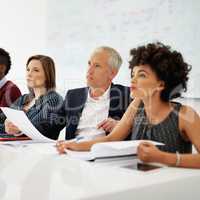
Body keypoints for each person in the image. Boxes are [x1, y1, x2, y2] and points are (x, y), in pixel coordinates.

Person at [56, 42, 200, 169]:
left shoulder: (185, 115)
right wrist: (73, 146)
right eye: (133, 74)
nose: (133, 80)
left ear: (161, 84)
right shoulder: (136, 106)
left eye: (142, 75)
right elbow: (110, 139)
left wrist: (162, 157)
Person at [57, 46, 131, 141]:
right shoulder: (73, 96)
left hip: (106, 152)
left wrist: (120, 125)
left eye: (97, 66)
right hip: (74, 151)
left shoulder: (127, 95)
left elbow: (142, 128)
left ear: (112, 73)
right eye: (89, 64)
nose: (89, 71)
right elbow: (50, 127)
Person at [0, 55, 63, 140]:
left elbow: (37, 128)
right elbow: (2, 119)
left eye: (36, 70)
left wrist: (17, 130)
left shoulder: (54, 99)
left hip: (37, 149)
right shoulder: (23, 99)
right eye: (28, 69)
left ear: (48, 75)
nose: (29, 74)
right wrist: (7, 127)